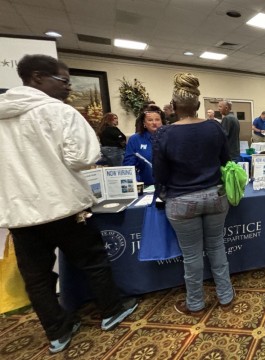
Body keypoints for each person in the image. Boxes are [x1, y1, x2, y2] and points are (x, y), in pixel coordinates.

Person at [0, 54, 137, 354]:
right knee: (94, 261)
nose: (68, 88)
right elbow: (83, 157)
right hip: (64, 206)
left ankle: (57, 331)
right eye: (63, 81)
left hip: (20, 214)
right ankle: (112, 311)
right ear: (37, 78)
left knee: (37, 277)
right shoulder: (59, 113)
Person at [153, 73, 235, 316]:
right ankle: (226, 297)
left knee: (191, 255)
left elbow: (160, 175)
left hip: (181, 201)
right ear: (198, 105)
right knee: (217, 247)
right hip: (215, 197)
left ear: (174, 107)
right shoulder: (214, 127)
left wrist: (165, 193)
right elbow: (226, 162)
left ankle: (196, 304)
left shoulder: (164, 134)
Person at [123, 104, 163, 185]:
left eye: (157, 119)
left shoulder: (170, 137)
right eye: (150, 120)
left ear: (162, 122)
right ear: (144, 123)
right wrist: (137, 182)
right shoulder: (135, 140)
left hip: (169, 187)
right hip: (146, 186)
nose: (154, 123)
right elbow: (128, 166)